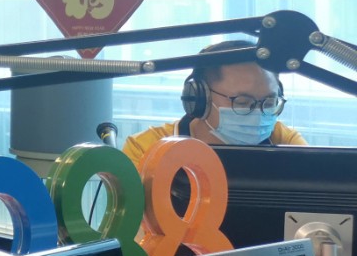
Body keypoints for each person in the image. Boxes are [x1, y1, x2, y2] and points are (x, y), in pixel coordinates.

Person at [123, 39, 307, 166]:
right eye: (242, 102)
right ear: (200, 99)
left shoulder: (284, 141)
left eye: (269, 103)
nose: (258, 114)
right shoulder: (146, 149)